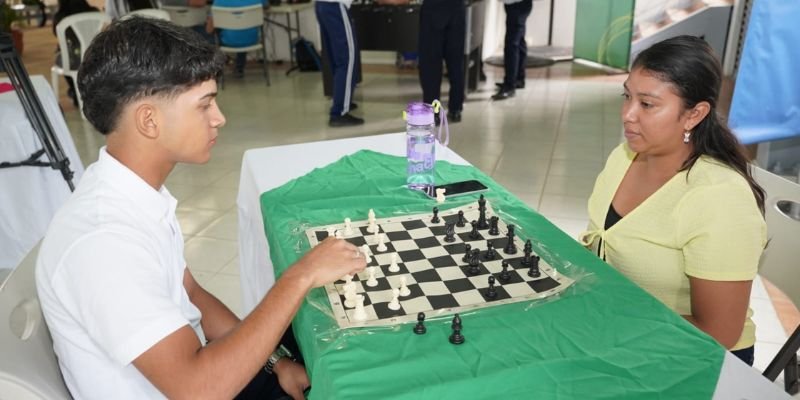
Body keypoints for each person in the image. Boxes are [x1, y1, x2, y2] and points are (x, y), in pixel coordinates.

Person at [35, 17, 366, 399]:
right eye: (204, 104)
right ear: (149, 120)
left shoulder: (132, 193)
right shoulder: (104, 242)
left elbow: (190, 293)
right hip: (198, 385)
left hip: (199, 368)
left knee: (327, 341)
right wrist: (300, 276)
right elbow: (198, 390)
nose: (219, 117)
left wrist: (277, 364)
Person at [580, 35, 766, 366]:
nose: (627, 114)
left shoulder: (718, 198)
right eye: (627, 97)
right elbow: (601, 243)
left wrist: (614, 328)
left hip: (696, 355)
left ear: (694, 115)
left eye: (647, 104)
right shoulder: (623, 156)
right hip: (619, 326)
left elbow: (718, 331)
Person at [315, 0, 364, 127]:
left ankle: (341, 100)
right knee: (347, 60)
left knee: (337, 59)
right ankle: (339, 112)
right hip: (336, 6)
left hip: (322, 5)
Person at [417, 0, 465, 123]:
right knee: (456, 62)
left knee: (431, 66)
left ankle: (434, 112)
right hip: (456, 9)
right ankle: (455, 109)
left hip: (433, 9)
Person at [52, 0, 98, 108]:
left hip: (73, 60)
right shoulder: (95, 12)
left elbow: (57, 34)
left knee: (62, 55)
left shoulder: (60, 17)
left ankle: (75, 90)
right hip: (96, 57)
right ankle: (91, 91)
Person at [492, 0, 532, 101]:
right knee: (519, 42)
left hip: (517, 5)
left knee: (511, 45)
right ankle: (519, 79)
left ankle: (509, 86)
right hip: (518, 5)